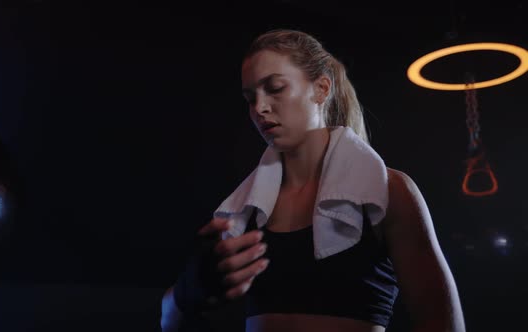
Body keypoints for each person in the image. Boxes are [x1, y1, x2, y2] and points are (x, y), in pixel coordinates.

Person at [160, 28, 466, 332]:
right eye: (250, 98)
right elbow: (167, 320)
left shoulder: (388, 191)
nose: (259, 108)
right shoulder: (241, 212)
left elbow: (442, 324)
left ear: (321, 89)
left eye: (275, 88)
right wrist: (189, 292)